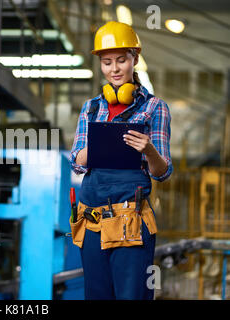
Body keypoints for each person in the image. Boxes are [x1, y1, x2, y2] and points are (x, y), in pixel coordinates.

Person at [68, 21, 173, 300]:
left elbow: (163, 172)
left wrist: (148, 149)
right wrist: (100, 143)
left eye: (121, 60)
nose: (114, 69)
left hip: (131, 222)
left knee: (131, 295)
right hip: (91, 221)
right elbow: (77, 162)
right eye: (107, 62)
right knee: (96, 295)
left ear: (134, 59)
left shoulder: (154, 108)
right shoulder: (91, 107)